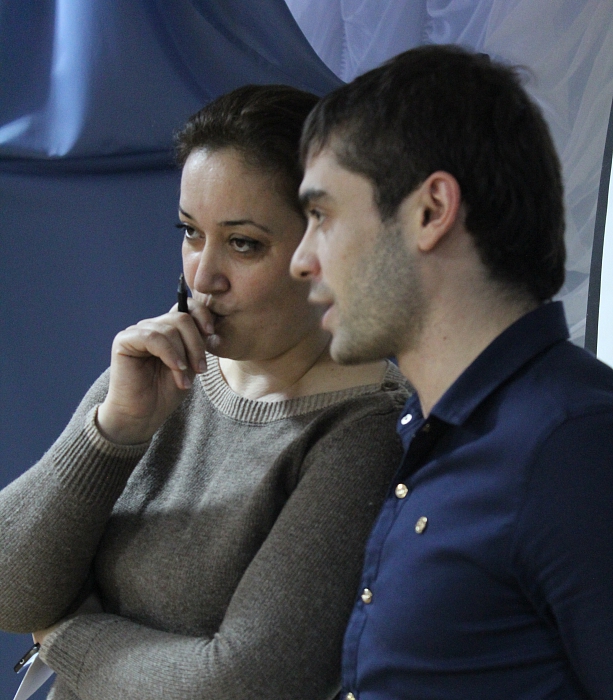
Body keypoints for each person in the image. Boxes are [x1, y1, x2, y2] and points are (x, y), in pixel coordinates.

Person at [0, 85, 409, 700]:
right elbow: (10, 593)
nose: (202, 275)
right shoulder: (161, 369)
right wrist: (112, 432)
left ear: (328, 247)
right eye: (191, 232)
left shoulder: (367, 431)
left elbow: (242, 686)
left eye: (244, 244)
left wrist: (64, 636)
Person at [290, 45, 613, 699]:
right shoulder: (435, 429)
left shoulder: (573, 445)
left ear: (431, 210)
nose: (301, 260)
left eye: (321, 215)